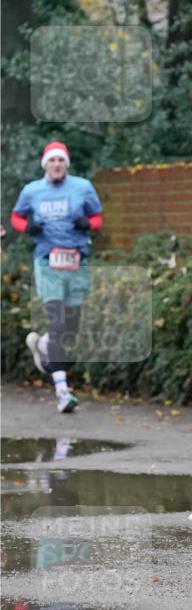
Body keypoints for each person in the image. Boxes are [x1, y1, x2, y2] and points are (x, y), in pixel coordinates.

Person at [11, 142, 103, 413]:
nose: (57, 165)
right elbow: (16, 217)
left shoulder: (83, 187)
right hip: (47, 260)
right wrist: (28, 226)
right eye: (52, 161)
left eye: (61, 161)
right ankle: (63, 391)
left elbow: (97, 217)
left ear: (67, 164)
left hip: (76, 261)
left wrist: (88, 224)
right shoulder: (32, 191)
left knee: (71, 328)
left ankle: (42, 345)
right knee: (58, 321)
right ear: (45, 165)